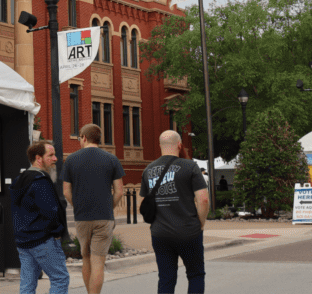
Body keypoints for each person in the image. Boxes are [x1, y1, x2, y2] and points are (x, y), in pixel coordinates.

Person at [140, 130, 209, 293]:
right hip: (188, 231)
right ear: (179, 145)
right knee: (195, 274)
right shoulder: (190, 166)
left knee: (166, 278)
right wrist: (200, 224)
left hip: (160, 233)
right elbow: (203, 199)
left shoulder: (148, 170)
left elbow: (142, 204)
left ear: (160, 146)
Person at [62, 124, 124, 294]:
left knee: (86, 259)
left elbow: (66, 191)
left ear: (83, 137)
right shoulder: (111, 159)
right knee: (98, 262)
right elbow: (119, 191)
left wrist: (78, 205)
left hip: (82, 218)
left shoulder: (71, 160)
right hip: (104, 217)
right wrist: (108, 207)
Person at [10, 140, 69, 294]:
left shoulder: (19, 180)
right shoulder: (41, 181)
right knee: (60, 278)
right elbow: (51, 212)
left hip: (23, 241)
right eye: (51, 155)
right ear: (38, 158)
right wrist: (58, 232)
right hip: (42, 240)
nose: (55, 158)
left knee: (27, 283)